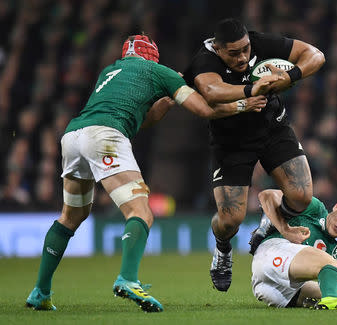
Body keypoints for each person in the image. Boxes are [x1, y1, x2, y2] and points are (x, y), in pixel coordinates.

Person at [25, 33, 280, 313]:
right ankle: (128, 279)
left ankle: (41, 291)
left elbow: (142, 120)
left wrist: (167, 99)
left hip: (73, 137)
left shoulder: (110, 71)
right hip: (106, 137)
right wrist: (243, 103)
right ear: (153, 57)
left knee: (70, 216)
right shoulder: (160, 72)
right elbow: (204, 109)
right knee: (140, 212)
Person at [183, 17, 325, 292]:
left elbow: (315, 55)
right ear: (218, 48)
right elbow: (211, 91)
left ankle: (268, 224)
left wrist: (290, 75)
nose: (243, 57)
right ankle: (223, 249)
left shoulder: (260, 41)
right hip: (231, 142)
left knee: (302, 196)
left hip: (273, 128)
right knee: (230, 220)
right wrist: (250, 91)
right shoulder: (204, 61)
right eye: (234, 53)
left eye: (246, 49)